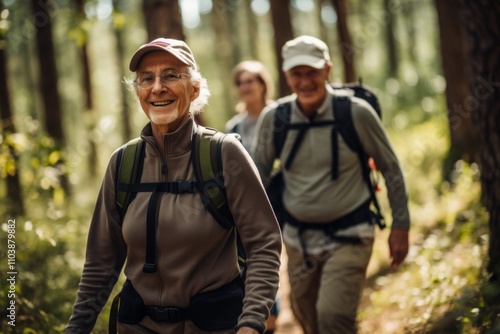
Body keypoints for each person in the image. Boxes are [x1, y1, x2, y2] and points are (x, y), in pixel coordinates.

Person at [65, 38, 282, 334]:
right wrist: (76, 329)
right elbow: (101, 263)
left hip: (213, 326)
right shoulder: (123, 163)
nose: (157, 87)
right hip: (136, 326)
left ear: (193, 89)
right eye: (146, 78)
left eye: (170, 75)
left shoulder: (223, 153)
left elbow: (263, 244)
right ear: (138, 92)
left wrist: (251, 323)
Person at [252, 35, 410, 334]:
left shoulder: (355, 113)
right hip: (298, 241)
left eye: (312, 72)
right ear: (286, 76)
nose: (305, 81)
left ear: (327, 70)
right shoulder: (275, 118)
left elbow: (390, 167)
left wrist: (401, 224)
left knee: (333, 319)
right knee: (307, 318)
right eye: (296, 74)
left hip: (351, 234)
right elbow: (256, 175)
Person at [225, 60, 279, 334]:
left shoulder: (278, 117)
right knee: (251, 260)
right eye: (241, 82)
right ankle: (268, 319)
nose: (246, 86)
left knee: (272, 257)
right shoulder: (232, 127)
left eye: (251, 80)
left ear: (262, 84)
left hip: (279, 204)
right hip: (244, 209)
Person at [225, 60, 275, 153]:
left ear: (263, 85)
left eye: (249, 82)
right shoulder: (233, 127)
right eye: (239, 83)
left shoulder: (280, 116)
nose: (244, 88)